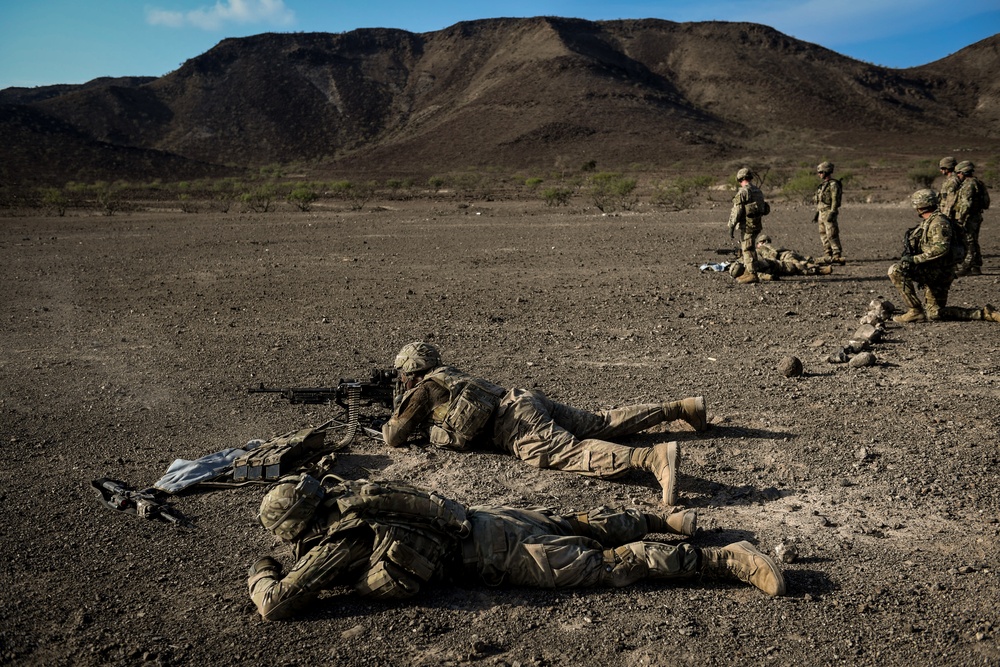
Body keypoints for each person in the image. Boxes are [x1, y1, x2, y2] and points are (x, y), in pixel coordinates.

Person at [247, 475, 786, 621]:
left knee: (604, 566)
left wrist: (263, 569)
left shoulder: (339, 538)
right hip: (484, 517)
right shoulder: (355, 494)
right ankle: (663, 517)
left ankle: (725, 557)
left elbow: (277, 605)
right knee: (580, 522)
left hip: (494, 556)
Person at [382, 342, 709, 506]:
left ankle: (652, 458)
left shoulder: (424, 389)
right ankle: (680, 408)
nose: (402, 379)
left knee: (572, 453)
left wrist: (398, 406)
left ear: (412, 371)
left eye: (403, 374)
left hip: (513, 425)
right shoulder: (448, 375)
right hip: (523, 399)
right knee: (599, 422)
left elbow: (394, 437)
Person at [888, 189, 959, 323]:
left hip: (939, 273)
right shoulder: (931, 221)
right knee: (935, 313)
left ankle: (915, 310)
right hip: (935, 270)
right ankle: (985, 314)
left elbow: (941, 249)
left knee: (896, 270)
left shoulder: (938, 222)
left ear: (919, 206)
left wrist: (913, 259)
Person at [727, 167, 769, 284]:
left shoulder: (743, 192)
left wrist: (731, 225)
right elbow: (764, 209)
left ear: (740, 179)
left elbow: (737, 210)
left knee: (747, 249)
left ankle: (752, 274)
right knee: (750, 248)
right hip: (756, 224)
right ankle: (748, 270)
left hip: (747, 226)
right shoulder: (758, 191)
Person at [953, 160, 991, 276]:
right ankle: (976, 266)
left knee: (968, 241)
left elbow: (966, 203)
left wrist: (960, 218)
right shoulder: (978, 182)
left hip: (969, 217)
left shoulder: (969, 184)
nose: (958, 176)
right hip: (975, 215)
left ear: (964, 172)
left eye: (959, 173)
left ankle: (968, 267)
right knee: (973, 240)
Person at [813, 161, 845, 265]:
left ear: (827, 172)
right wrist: (817, 213)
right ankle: (828, 253)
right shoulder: (822, 185)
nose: (819, 174)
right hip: (821, 213)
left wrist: (833, 211)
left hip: (828, 212)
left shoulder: (833, 184)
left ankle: (837, 254)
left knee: (832, 234)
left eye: (821, 172)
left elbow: (835, 199)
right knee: (823, 234)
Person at [754, 235, 834, 275]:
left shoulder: (763, 248)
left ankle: (819, 270)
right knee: (810, 259)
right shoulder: (773, 244)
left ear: (761, 242)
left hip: (784, 257)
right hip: (790, 253)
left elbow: (773, 255)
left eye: (758, 243)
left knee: (798, 266)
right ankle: (833, 259)